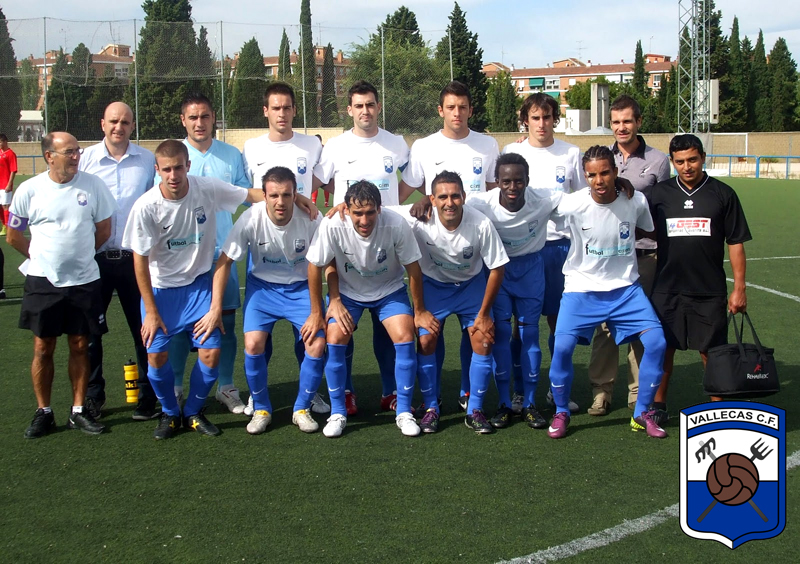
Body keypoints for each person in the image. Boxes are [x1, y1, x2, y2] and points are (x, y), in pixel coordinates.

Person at [122, 140, 265, 439]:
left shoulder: (207, 188)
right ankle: (170, 413)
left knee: (210, 353)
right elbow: (140, 262)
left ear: (188, 166)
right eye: (166, 169)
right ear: (157, 170)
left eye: (178, 168)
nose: (173, 175)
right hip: (161, 291)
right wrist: (150, 310)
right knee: (156, 358)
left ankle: (194, 412)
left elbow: (251, 195)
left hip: (200, 286)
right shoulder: (146, 207)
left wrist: (298, 201)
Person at [546, 145, 667, 440]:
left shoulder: (634, 200)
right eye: (591, 175)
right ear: (584, 176)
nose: (598, 180)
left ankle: (642, 413)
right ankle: (561, 411)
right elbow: (535, 203)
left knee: (657, 343)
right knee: (561, 348)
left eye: (604, 173)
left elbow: (648, 229)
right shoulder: (571, 204)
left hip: (625, 290)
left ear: (615, 172)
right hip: (580, 289)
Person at [196, 166, 325, 435]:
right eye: (274, 195)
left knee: (316, 343)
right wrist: (215, 308)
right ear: (263, 196)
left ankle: (302, 407)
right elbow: (225, 261)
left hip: (300, 288)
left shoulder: (312, 218)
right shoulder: (250, 219)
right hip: (263, 288)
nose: (280, 202)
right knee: (253, 343)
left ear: (295, 194)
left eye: (287, 195)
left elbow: (327, 262)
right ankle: (262, 407)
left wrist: (318, 309)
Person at [7, 132, 117, 438]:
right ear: (48, 156)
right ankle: (44, 412)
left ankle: (78, 411)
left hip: (84, 281)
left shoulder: (93, 185)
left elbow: (105, 229)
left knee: (81, 345)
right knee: (43, 347)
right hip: (43, 282)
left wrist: (78, 256)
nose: (75, 156)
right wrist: (43, 259)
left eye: (77, 150)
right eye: (68, 152)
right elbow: (13, 235)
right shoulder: (29, 190)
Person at [312, 80, 410, 416]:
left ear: (378, 106)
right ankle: (347, 392)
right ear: (350, 110)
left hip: (386, 247)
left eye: (370, 104)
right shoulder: (336, 146)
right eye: (359, 106)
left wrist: (409, 206)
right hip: (349, 250)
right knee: (342, 328)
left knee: (390, 329)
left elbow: (415, 180)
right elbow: (319, 182)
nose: (365, 111)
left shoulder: (396, 144)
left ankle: (390, 391)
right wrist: (338, 205)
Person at [306, 181, 434, 438]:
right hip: (348, 294)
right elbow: (314, 265)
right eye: (358, 213)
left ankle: (404, 411)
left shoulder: (395, 224)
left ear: (379, 208)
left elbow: (413, 270)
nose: (364, 220)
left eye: (370, 212)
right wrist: (319, 311)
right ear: (347, 210)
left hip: (389, 291)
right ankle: (338, 412)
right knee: (335, 337)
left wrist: (419, 311)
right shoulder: (332, 224)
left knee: (405, 335)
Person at [402, 80, 500, 410]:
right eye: (451, 107)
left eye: (463, 107)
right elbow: (402, 195)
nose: (457, 113)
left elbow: (495, 192)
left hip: (476, 246)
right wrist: (415, 204)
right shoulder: (424, 146)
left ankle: (468, 392)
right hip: (438, 252)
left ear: (471, 110)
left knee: (478, 331)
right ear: (440, 110)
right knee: (430, 334)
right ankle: (432, 398)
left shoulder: (487, 145)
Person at [386, 171, 507, 433]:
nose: (449, 202)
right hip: (433, 286)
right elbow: (378, 209)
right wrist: (342, 207)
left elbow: (497, 268)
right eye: (442, 197)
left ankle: (474, 409)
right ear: (432, 199)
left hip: (470, 286)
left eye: (455, 196)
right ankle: (431, 406)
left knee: (483, 338)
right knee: (427, 339)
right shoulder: (418, 218)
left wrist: (485, 314)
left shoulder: (480, 224)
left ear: (464, 197)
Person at [644, 134, 751, 422]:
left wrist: (739, 288)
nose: (687, 166)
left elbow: (736, 242)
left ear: (703, 157)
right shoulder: (659, 195)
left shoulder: (723, 194)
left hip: (709, 290)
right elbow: (638, 227)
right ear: (672, 162)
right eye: (680, 161)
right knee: (663, 351)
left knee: (712, 353)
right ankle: (658, 407)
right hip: (667, 289)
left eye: (692, 159)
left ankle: (720, 409)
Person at [241, 81, 329, 417]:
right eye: (275, 108)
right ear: (266, 111)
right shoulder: (251, 147)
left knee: (305, 330)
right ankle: (256, 393)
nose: (281, 113)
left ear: (294, 110)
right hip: (265, 240)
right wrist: (277, 198)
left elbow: (327, 181)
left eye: (287, 107)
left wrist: (305, 199)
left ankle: (310, 392)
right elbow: (246, 191)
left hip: (302, 238)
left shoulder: (311, 145)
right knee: (258, 333)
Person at [586, 94, 671, 416]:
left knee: (640, 323)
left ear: (638, 122)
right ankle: (602, 392)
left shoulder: (658, 161)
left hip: (644, 255)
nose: (622, 127)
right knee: (605, 327)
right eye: (617, 122)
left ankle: (637, 393)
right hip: (607, 254)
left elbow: (662, 209)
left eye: (628, 121)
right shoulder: (599, 157)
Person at [467, 153, 563, 430]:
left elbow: (585, 200)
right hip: (498, 273)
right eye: (506, 181)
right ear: (496, 182)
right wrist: (425, 200)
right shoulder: (480, 203)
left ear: (527, 181)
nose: (512, 187)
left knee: (530, 333)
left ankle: (530, 403)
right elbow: (449, 205)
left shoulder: (545, 199)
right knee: (502, 335)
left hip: (532, 269)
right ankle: (505, 404)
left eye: (518, 181)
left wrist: (618, 186)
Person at [503, 92, 585, 414]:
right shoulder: (512, 151)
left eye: (547, 117)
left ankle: (556, 389)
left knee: (558, 325)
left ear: (555, 119)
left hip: (559, 249)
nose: (541, 123)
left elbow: (581, 199)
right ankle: (521, 391)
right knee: (520, 326)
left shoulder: (571, 153)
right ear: (525, 119)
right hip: (519, 249)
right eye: (535, 118)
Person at [170, 92, 250, 414]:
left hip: (222, 255)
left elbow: (247, 195)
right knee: (178, 326)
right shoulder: (173, 155)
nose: (199, 123)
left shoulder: (231, 155)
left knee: (225, 323)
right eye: (193, 117)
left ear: (213, 117)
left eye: (204, 116)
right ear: (183, 120)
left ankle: (226, 386)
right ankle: (176, 387)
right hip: (182, 258)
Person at [79, 101, 159, 421]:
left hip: (134, 260)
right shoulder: (85, 160)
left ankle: (148, 395)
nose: (119, 127)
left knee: (144, 331)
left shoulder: (146, 159)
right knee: (89, 334)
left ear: (132, 125)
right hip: (94, 259)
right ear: (102, 124)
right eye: (113, 121)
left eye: (125, 122)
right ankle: (93, 396)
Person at [0, 133, 17, 239]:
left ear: (5, 142)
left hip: (5, 184)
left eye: (1, 142)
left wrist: (9, 183)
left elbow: (13, 170)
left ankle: (8, 227)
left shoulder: (11, 154)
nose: (0, 144)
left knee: (6, 206)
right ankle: (4, 225)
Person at [310, 134, 329, 207]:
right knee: (314, 185)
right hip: (314, 169)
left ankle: (326, 201)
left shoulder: (324, 148)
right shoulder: (311, 149)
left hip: (324, 170)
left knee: (326, 185)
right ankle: (314, 201)